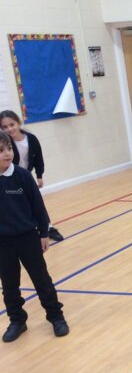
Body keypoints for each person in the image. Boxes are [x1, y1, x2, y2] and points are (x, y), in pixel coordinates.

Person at [0, 130, 69, 343]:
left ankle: (56, 316)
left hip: (28, 238)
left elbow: (38, 206)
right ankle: (17, 321)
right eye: (1, 150)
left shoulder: (22, 176)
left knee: (42, 280)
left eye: (9, 148)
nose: (7, 153)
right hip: (3, 243)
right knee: (9, 285)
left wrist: (44, 233)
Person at [0, 110, 64, 242]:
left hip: (26, 177)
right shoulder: (6, 143)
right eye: (4, 127)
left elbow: (39, 158)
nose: (9, 129)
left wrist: (39, 175)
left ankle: (48, 228)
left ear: (18, 122)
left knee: (37, 203)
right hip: (12, 178)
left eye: (12, 124)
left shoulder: (31, 139)